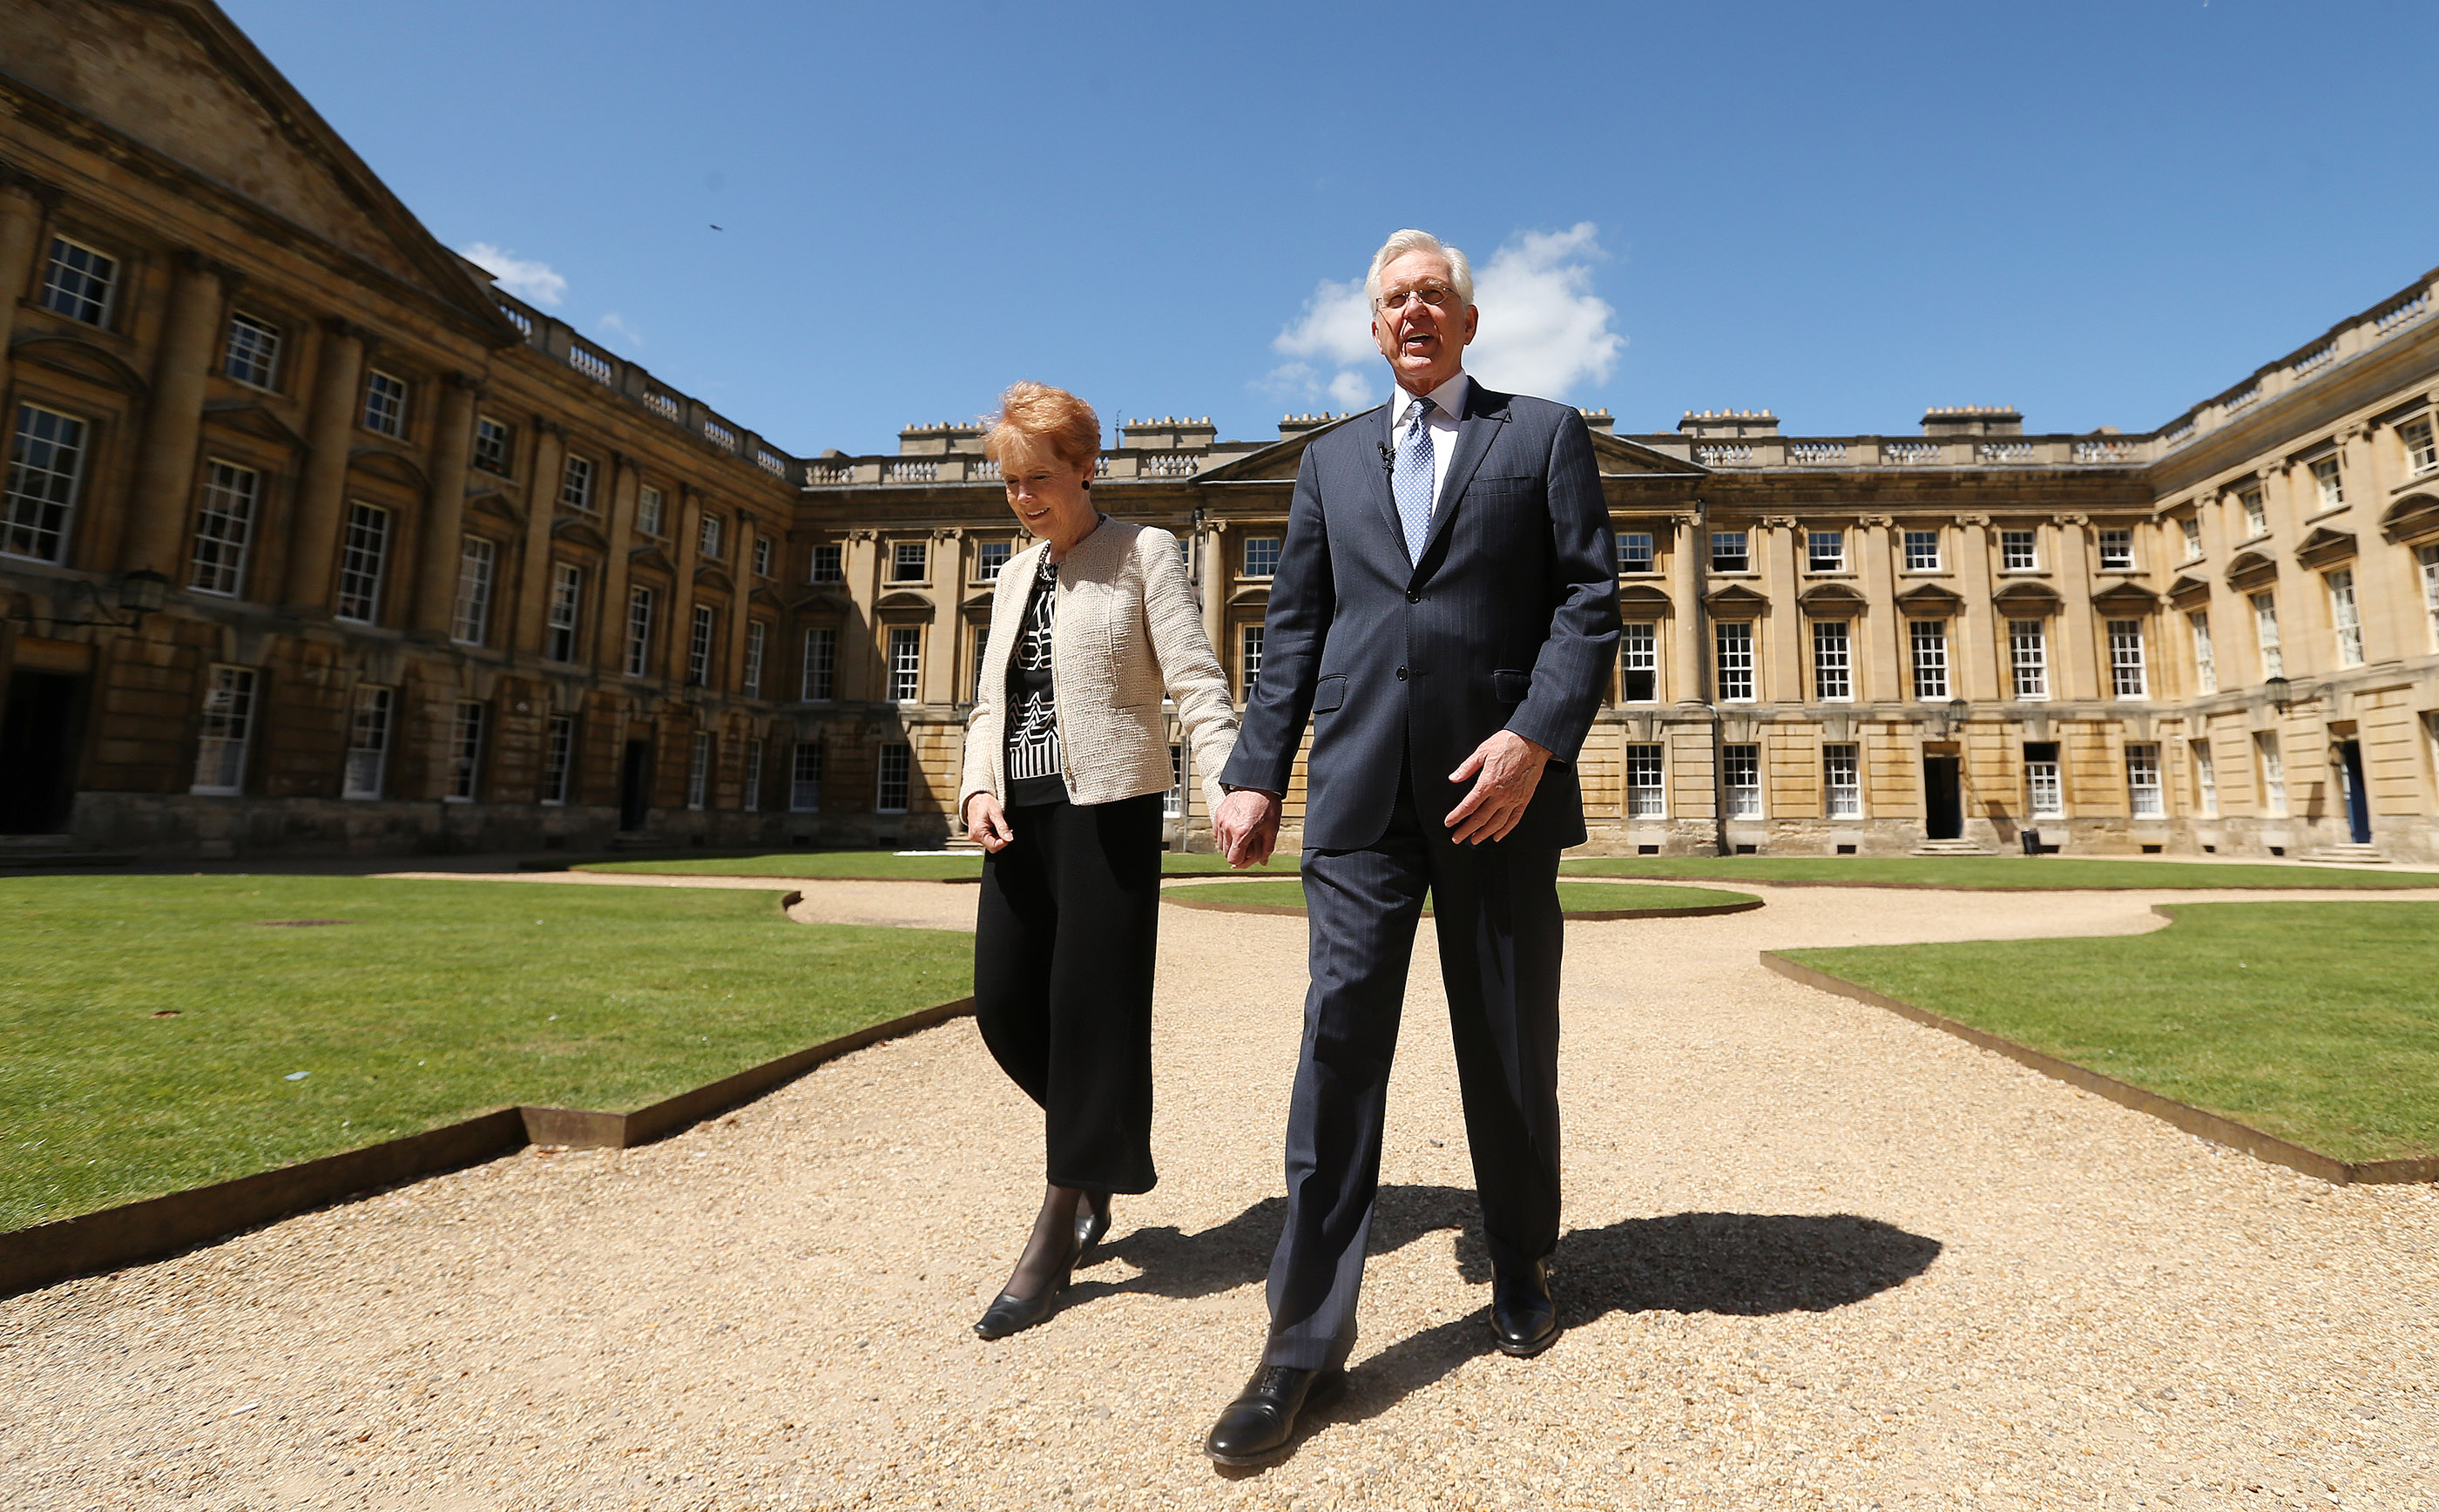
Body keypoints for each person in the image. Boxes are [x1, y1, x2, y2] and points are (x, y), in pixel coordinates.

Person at [1200, 230, 1620, 1463]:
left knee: (1506, 1040)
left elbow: (1590, 603)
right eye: (1394, 299)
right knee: (1337, 1047)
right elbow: (1295, 627)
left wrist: (1535, 739)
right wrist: (1252, 770)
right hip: (1362, 796)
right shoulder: (1330, 461)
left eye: (1434, 294)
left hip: (1499, 788)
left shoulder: (1541, 435)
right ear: (1374, 327)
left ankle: (1525, 1255)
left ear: (1468, 322)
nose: (1414, 311)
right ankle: (1299, 1343)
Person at [959, 381, 1239, 1340]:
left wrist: (1228, 783)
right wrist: (975, 785)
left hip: (1107, 812)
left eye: (1039, 478)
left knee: (1089, 1016)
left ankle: (1059, 1215)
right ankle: (1101, 1134)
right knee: (1003, 1007)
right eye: (1009, 483)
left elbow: (1196, 678)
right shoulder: (1010, 574)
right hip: (1019, 815)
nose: (1024, 498)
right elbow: (989, 701)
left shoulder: (1143, 552)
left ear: (1086, 467)